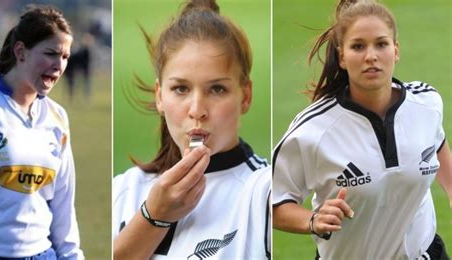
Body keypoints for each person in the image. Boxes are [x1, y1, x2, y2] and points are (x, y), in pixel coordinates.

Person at [272, 0, 451, 259]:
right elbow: (271, 201)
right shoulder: (313, 130)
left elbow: (436, 142)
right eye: (358, 46)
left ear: (396, 50)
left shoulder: (427, 103)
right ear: (342, 57)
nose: (371, 56)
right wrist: (312, 220)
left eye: (381, 44)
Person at [112, 0, 271, 259]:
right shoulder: (124, 190)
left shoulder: (263, 193)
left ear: (245, 96)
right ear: (160, 96)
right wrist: (153, 217)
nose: (197, 110)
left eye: (217, 89)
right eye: (181, 89)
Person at [0, 5, 83, 259]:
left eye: (66, 57)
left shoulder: (57, 117)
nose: (58, 65)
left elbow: (63, 205)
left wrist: (72, 255)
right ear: (21, 52)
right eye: (51, 53)